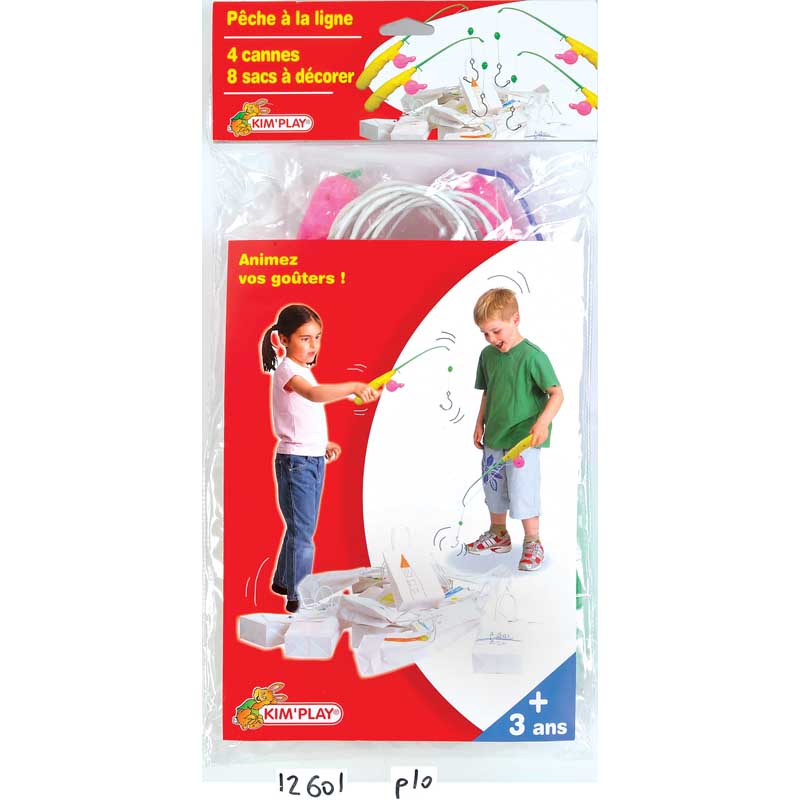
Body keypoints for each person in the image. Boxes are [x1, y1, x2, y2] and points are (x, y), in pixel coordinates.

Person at [261, 304, 379, 611]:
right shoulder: (288, 370)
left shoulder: (302, 369)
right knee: (303, 533)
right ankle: (300, 598)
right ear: (283, 340)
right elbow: (313, 396)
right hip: (296, 463)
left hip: (310, 457)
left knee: (300, 528)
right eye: (305, 338)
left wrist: (321, 443)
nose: (313, 345)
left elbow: (299, 416)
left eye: (318, 337)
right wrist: (353, 386)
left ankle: (283, 581)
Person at [467, 289, 563, 571]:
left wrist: (542, 423)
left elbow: (556, 394)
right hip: (495, 435)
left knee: (523, 488)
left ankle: (533, 541)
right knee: (493, 487)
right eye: (485, 334)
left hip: (524, 439)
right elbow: (488, 391)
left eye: (496, 331)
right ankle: (498, 534)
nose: (491, 339)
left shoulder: (533, 356)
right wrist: (479, 422)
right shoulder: (487, 356)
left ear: (515, 319)